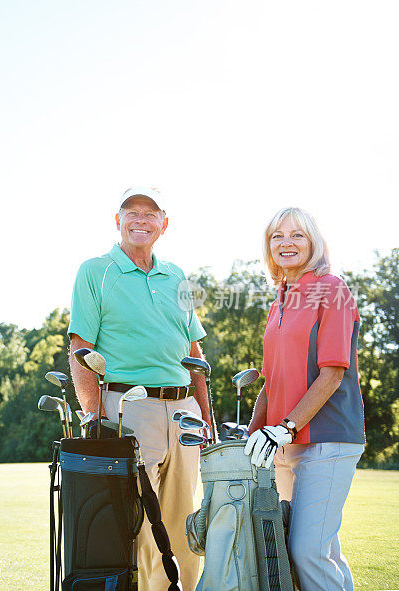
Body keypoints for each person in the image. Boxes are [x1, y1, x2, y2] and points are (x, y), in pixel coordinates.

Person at [68, 186, 212, 591]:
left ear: (163, 224)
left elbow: (193, 351)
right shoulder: (96, 271)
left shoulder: (177, 276)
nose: (140, 220)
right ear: (118, 221)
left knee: (186, 522)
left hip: (184, 411)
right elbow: (81, 349)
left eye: (150, 214)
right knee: (138, 522)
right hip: (130, 409)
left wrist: (207, 419)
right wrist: (95, 417)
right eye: (131, 212)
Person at [245, 207, 365, 591]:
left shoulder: (332, 289)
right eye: (277, 236)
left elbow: (333, 372)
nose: (287, 243)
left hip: (327, 440)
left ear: (313, 242)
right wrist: (253, 430)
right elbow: (271, 379)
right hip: (284, 446)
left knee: (307, 551)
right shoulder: (279, 299)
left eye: (297, 235)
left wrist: (285, 427)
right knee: (321, 548)